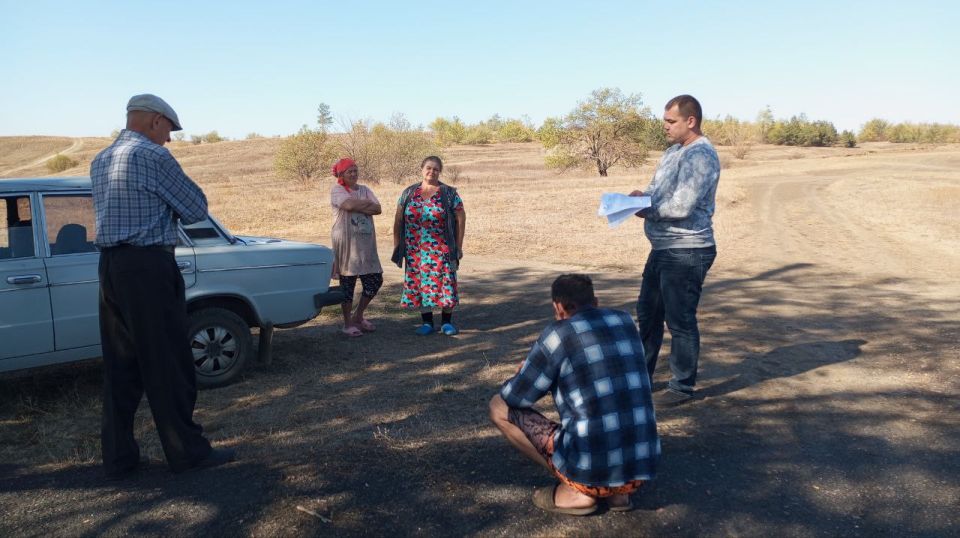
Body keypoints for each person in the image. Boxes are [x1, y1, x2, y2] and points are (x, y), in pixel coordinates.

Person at [91, 94, 236, 479]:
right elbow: (195, 208)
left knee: (121, 364)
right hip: (147, 265)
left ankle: (119, 459)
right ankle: (186, 452)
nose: (169, 140)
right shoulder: (153, 157)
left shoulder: (101, 159)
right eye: (169, 130)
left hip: (110, 266)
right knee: (167, 360)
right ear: (156, 121)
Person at [489, 274, 660, 516]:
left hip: (589, 471)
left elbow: (515, 397)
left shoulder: (558, 333)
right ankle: (619, 496)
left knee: (498, 407)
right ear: (596, 301)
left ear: (558, 307)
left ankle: (578, 491)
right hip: (640, 470)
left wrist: (524, 372)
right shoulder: (625, 320)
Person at [631, 94, 720, 407]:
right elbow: (658, 192)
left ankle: (681, 387)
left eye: (671, 121)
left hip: (688, 250)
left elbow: (682, 205)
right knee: (648, 314)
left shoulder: (702, 155)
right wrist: (640, 198)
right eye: (665, 120)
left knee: (679, 319)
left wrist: (647, 210)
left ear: (690, 121)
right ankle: (641, 379)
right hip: (663, 247)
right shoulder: (671, 153)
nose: (665, 127)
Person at [392, 156, 465, 335]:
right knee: (420, 284)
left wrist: (458, 246)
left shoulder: (448, 193)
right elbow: (398, 219)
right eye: (428, 168)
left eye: (435, 169)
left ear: (439, 172)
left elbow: (461, 218)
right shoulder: (409, 192)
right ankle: (427, 323)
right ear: (422, 169)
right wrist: (397, 245)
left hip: (442, 248)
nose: (431, 172)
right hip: (415, 250)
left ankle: (446, 322)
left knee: (445, 282)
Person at [330, 158, 384, 337]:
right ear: (341, 175)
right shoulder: (337, 190)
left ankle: (358, 316)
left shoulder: (365, 189)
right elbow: (348, 204)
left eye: (355, 170)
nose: (353, 174)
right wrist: (366, 205)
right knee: (348, 285)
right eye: (349, 171)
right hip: (347, 245)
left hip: (366, 244)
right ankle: (347, 324)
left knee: (375, 280)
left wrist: (360, 206)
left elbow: (378, 209)